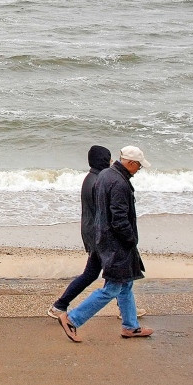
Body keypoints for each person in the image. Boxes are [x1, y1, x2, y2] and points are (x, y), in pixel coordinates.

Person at [58, 145, 153, 342]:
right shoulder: (119, 182)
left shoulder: (105, 175)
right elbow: (118, 218)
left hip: (104, 239)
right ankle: (72, 319)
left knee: (126, 284)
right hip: (115, 243)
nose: (139, 170)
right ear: (131, 163)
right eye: (139, 166)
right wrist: (130, 239)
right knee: (112, 288)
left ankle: (131, 326)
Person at [47, 145, 110, 319]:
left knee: (111, 275)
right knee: (101, 274)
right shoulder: (98, 181)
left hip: (90, 232)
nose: (111, 162)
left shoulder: (91, 177)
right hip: (98, 235)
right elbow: (103, 213)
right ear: (102, 160)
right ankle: (59, 306)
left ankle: (126, 310)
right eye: (108, 158)